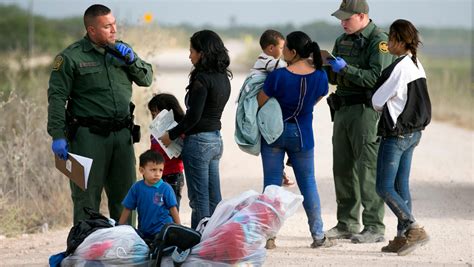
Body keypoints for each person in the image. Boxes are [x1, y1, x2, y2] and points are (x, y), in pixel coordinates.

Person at [47, 4, 153, 225]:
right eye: (107, 26)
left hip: (122, 136)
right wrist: (57, 135)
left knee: (125, 197)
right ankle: (87, 250)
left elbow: (146, 78)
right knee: (86, 197)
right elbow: (57, 97)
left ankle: (126, 251)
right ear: (91, 30)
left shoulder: (122, 51)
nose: (114, 30)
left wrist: (132, 60)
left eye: (114, 24)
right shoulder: (70, 57)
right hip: (88, 138)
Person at [324, 0, 396, 243]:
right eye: (341, 18)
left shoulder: (379, 41)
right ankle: (347, 223)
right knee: (343, 168)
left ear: (363, 15)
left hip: (366, 111)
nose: (342, 22)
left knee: (367, 168)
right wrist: (327, 67)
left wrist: (346, 70)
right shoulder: (342, 40)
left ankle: (374, 226)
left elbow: (376, 78)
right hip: (343, 110)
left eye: (347, 18)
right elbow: (336, 79)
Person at [257, 31, 334, 249]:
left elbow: (262, 101)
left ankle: (269, 238)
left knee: (271, 184)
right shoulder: (320, 75)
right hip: (303, 135)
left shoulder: (279, 76)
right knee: (308, 183)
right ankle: (318, 235)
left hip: (275, 133)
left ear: (292, 52)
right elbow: (319, 96)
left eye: (285, 49)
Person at [159, 30, 232, 229]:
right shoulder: (223, 77)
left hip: (199, 142)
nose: (189, 55)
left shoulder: (202, 79)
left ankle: (198, 245)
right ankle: (216, 240)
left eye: (192, 51)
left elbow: (194, 117)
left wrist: (170, 135)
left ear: (202, 53)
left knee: (199, 200)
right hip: (216, 140)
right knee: (214, 198)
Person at [372, 19, 431, 256]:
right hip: (414, 133)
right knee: (400, 185)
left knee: (383, 186)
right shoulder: (417, 64)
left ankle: (413, 227)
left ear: (398, 39)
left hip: (396, 135)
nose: (387, 43)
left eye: (390, 39)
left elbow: (377, 101)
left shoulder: (399, 68)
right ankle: (401, 237)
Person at [235, 29, 295, 187]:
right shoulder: (267, 60)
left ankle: (281, 171)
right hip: (256, 97)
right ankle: (282, 170)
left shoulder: (265, 60)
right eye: (281, 48)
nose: (283, 51)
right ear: (270, 48)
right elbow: (285, 69)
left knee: (272, 135)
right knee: (273, 132)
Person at [119, 150, 181, 241]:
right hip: (144, 231)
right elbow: (127, 208)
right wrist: (118, 228)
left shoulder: (165, 188)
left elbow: (173, 209)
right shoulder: (137, 187)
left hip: (162, 230)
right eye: (153, 170)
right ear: (142, 170)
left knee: (158, 248)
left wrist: (180, 230)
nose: (157, 174)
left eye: (160, 170)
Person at [148, 94, 186, 209]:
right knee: (158, 208)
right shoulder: (154, 133)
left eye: (156, 113)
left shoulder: (179, 131)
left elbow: (182, 152)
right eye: (152, 114)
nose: (154, 117)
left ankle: (172, 227)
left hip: (173, 176)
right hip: (158, 177)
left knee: (171, 208)